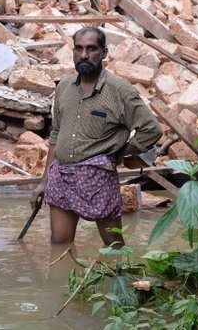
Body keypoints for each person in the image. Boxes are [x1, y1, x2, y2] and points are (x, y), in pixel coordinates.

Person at [30, 26, 162, 247]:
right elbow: (56, 133)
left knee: (114, 245)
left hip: (98, 179)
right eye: (79, 48)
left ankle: (122, 279)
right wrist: (44, 181)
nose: (84, 55)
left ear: (104, 52)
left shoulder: (119, 90)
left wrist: (120, 153)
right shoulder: (64, 87)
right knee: (59, 242)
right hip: (61, 176)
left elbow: (151, 129)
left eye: (91, 49)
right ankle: (61, 280)